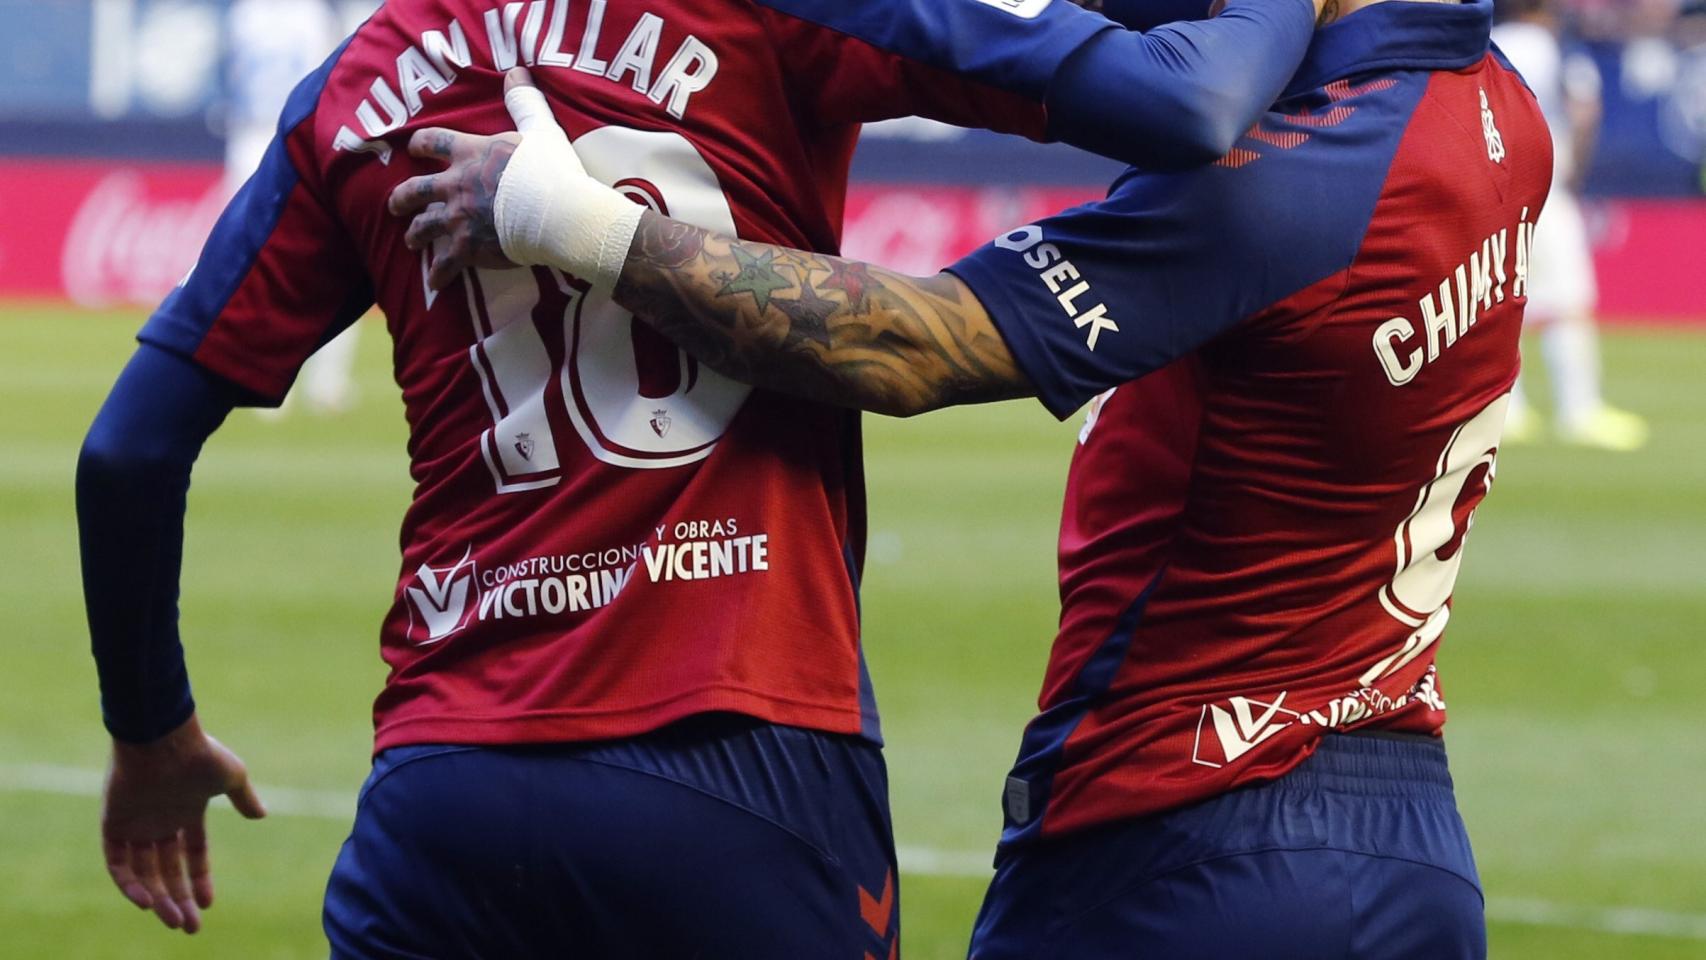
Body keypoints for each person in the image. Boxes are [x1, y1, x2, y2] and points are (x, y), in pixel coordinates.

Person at [76, 0, 1325, 953]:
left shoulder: (355, 90)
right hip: (739, 762)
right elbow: (1177, 103)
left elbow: (130, 451)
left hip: (443, 787)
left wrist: (150, 729)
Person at [396, 0, 1550, 954]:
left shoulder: (1291, 183)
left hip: (1187, 833)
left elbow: (909, 347)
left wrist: (581, 228)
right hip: (1409, 843)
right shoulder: (1496, 109)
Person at [1493, 0, 1648, 449]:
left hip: (1499, 192)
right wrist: (1575, 169)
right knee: (1570, 304)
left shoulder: (1492, 44)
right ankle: (1579, 409)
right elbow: (1583, 109)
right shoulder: (1555, 44)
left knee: (1503, 303)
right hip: (1547, 189)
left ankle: (1508, 411)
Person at [226, 0, 368, 416]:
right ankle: (325, 383)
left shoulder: (246, 14)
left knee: (254, 268)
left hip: (249, 139)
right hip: (298, 141)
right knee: (335, 265)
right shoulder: (314, 16)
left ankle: (263, 382)